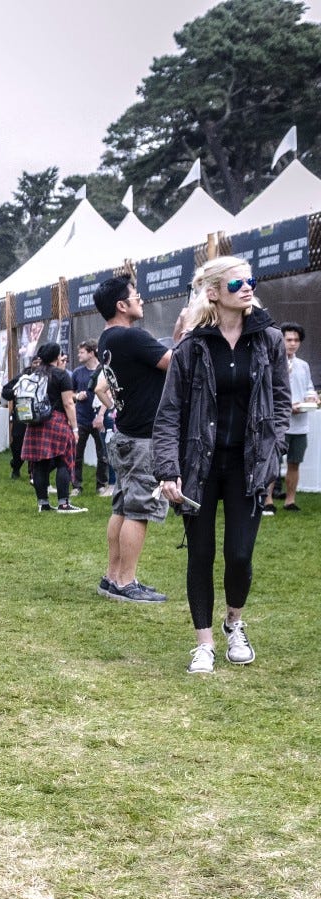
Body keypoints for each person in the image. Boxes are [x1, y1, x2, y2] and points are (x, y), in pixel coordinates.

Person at [155, 258, 288, 674]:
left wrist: (274, 448)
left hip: (249, 466)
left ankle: (234, 622)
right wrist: (168, 468)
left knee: (240, 555)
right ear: (213, 291)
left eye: (251, 279)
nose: (247, 286)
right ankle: (204, 643)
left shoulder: (268, 340)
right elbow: (169, 412)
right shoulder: (191, 347)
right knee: (202, 553)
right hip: (199, 465)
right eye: (236, 281)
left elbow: (280, 402)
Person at [92, 275, 174, 604]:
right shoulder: (132, 337)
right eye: (135, 296)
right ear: (121, 306)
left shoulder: (107, 339)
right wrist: (185, 331)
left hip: (126, 433)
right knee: (138, 511)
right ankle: (126, 583)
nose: (141, 300)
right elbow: (176, 364)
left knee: (123, 507)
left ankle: (113, 577)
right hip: (143, 438)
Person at [18, 344, 85, 514]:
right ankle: (64, 504)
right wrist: (75, 429)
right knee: (64, 460)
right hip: (56, 420)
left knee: (40, 463)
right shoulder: (62, 375)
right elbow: (68, 403)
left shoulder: (34, 375)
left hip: (36, 421)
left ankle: (43, 503)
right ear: (57, 357)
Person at [272, 323, 313, 511]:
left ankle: (290, 500)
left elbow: (308, 388)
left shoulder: (303, 365)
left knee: (294, 463)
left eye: (296, 340)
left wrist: (311, 397)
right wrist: (288, 407)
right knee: (272, 463)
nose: (292, 344)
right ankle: (267, 501)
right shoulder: (271, 363)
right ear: (281, 340)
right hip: (277, 424)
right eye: (289, 340)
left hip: (299, 424)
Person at [71, 340, 109, 497]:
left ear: (92, 353)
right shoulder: (77, 373)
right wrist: (77, 396)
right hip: (81, 418)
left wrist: (101, 415)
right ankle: (76, 485)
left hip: (100, 419)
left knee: (103, 454)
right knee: (77, 454)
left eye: (82, 352)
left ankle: (101, 485)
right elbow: (70, 394)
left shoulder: (104, 371)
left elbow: (109, 395)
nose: (79, 354)